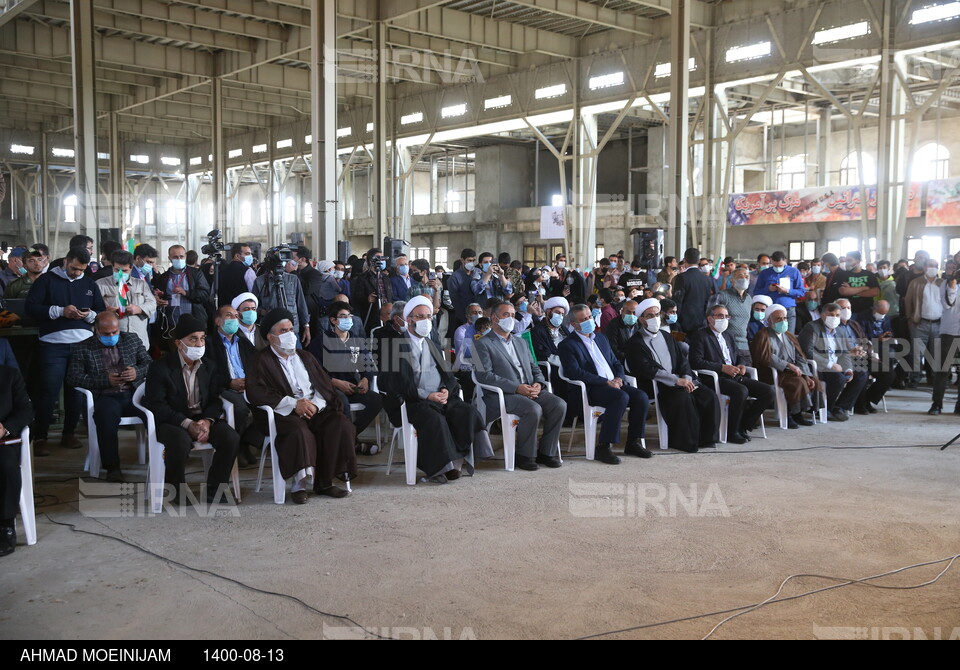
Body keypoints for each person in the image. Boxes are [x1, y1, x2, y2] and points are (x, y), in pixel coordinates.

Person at [245, 308, 358, 503]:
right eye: (283, 331)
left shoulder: (305, 356)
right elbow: (257, 392)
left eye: (291, 329)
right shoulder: (260, 360)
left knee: (339, 423)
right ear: (271, 338)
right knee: (298, 430)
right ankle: (299, 485)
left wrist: (314, 405)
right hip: (283, 413)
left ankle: (325, 482)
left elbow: (323, 385)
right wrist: (293, 404)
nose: (290, 335)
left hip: (314, 408)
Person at [377, 296, 491, 482]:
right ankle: (440, 467)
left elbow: (447, 374)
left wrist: (446, 389)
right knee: (434, 419)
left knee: (466, 411)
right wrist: (427, 395)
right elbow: (394, 383)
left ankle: (457, 461)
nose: (425, 321)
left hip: (439, 397)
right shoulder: (394, 346)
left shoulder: (432, 344)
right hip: (412, 401)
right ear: (409, 319)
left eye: (428, 316)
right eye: (420, 316)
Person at [142, 315, 240, 505]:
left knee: (231, 438)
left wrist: (207, 422)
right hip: (173, 420)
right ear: (179, 343)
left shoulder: (208, 366)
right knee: (179, 442)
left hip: (201, 418)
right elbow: (157, 405)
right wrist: (188, 424)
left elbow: (215, 399)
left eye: (202, 338)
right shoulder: (160, 367)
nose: (199, 343)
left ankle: (215, 490)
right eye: (193, 339)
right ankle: (176, 491)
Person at [26, 247, 105, 453]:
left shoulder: (89, 283)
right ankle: (41, 436)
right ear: (66, 260)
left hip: (83, 344)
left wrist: (88, 316)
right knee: (48, 391)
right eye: (74, 268)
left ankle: (69, 433)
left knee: (76, 392)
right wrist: (60, 311)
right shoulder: (46, 281)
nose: (77, 273)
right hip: (53, 344)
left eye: (81, 270)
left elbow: (100, 311)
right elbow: (31, 308)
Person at [472, 301, 565, 470]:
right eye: (506, 315)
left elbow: (535, 367)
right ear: (494, 318)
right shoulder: (479, 344)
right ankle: (525, 455)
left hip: (530, 388)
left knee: (559, 404)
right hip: (503, 394)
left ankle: (546, 452)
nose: (511, 319)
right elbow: (483, 375)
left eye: (513, 315)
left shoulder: (521, 342)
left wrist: (538, 383)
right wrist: (516, 388)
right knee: (532, 409)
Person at [558, 303, 651, 463]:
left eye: (589, 317)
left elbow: (615, 362)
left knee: (641, 396)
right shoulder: (567, 345)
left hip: (614, 384)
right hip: (591, 388)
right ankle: (604, 446)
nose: (588, 321)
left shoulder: (600, 338)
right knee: (620, 397)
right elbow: (574, 372)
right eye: (583, 319)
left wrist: (619, 378)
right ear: (574, 324)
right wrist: (605, 382)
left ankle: (633, 442)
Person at [626, 299, 721, 452]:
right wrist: (677, 381)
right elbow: (649, 369)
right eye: (650, 316)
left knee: (708, 395)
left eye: (657, 314)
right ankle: (686, 442)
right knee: (683, 398)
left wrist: (687, 378)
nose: (655, 318)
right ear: (641, 319)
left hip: (681, 380)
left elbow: (682, 360)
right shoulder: (635, 343)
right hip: (658, 386)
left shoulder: (666, 335)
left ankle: (707, 438)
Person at [65, 312, 150, 481]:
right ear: (95, 330)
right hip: (106, 396)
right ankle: (112, 467)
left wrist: (136, 372)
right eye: (106, 334)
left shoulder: (131, 339)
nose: (111, 336)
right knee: (105, 416)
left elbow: (149, 364)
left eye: (115, 332)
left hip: (134, 394)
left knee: (157, 409)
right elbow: (72, 377)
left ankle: (166, 458)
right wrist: (104, 380)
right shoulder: (83, 347)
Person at [688, 304, 775, 443]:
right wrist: (721, 367)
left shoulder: (729, 335)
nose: (724, 319)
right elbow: (696, 362)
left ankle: (744, 425)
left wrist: (741, 364)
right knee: (741, 391)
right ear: (710, 319)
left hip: (735, 375)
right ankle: (732, 431)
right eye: (720, 316)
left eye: (726, 316)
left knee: (769, 391)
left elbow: (738, 355)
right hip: (715, 378)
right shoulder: (700, 335)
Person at [314, 301, 382, 453]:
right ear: (333, 320)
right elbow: (315, 371)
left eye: (349, 316)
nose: (347, 320)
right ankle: (352, 444)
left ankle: (348, 438)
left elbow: (368, 365)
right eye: (343, 316)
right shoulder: (321, 341)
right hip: (331, 388)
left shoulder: (356, 340)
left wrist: (365, 379)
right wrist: (336, 383)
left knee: (376, 400)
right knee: (342, 402)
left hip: (352, 387)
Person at [204, 305, 264, 467]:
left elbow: (258, 365)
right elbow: (206, 375)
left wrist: (250, 382)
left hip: (247, 387)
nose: (234, 319)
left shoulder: (243, 343)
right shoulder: (208, 345)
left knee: (271, 404)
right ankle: (235, 447)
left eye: (237, 316)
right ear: (218, 321)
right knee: (239, 408)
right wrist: (229, 382)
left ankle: (245, 440)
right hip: (224, 388)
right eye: (229, 316)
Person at [799, 303, 868, 422]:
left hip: (837, 365)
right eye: (831, 315)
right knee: (838, 378)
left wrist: (848, 369)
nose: (834, 318)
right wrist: (830, 364)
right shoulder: (812, 327)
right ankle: (827, 409)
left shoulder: (840, 330)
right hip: (818, 367)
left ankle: (840, 406)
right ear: (822, 315)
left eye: (837, 315)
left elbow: (844, 352)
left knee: (861, 374)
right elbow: (808, 352)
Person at [750, 304, 817, 428]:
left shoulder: (789, 335)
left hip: (791, 372)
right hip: (771, 372)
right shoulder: (763, 335)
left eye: (785, 318)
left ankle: (799, 413)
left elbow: (799, 357)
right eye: (778, 319)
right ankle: (790, 415)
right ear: (770, 320)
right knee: (796, 383)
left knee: (810, 381)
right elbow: (766, 357)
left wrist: (806, 374)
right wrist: (788, 365)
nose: (783, 321)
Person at [95, 250, 156, 352]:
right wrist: (106, 312)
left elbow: (152, 303)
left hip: (139, 338)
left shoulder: (141, 284)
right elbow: (94, 309)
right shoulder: (100, 285)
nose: (120, 274)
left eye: (124, 271)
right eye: (117, 270)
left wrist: (138, 309)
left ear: (131, 268)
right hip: (112, 339)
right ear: (112, 267)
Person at [0, 365, 32, 556]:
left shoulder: (9, 374)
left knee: (6, 465)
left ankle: (5, 526)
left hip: (2, 442)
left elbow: (26, 411)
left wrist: (5, 428)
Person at [253, 253, 311, 347]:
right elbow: (253, 306)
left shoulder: (293, 279)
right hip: (271, 328)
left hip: (292, 328)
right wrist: (262, 311)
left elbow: (301, 304)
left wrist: (306, 326)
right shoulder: (260, 281)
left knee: (295, 357)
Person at [903, 257, 943, 394]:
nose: (933, 267)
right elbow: (908, 301)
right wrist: (909, 318)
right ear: (925, 267)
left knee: (936, 354)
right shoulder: (915, 282)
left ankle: (935, 380)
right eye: (930, 265)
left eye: (935, 265)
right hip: (919, 323)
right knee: (916, 354)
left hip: (939, 324)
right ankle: (914, 379)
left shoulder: (942, 283)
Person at [153, 244, 211, 328]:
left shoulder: (196, 273)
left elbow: (205, 294)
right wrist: (161, 297)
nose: (179, 259)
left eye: (181, 256)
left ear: (186, 256)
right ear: (170, 258)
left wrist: (186, 293)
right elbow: (159, 296)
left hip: (194, 322)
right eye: (175, 257)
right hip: (171, 323)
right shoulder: (164, 277)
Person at [753, 251, 806, 333]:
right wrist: (768, 289)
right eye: (775, 266)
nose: (778, 268)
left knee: (789, 336)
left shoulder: (794, 272)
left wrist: (787, 291)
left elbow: (801, 292)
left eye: (780, 265)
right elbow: (756, 292)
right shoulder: (765, 273)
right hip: (771, 310)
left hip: (788, 310)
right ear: (771, 261)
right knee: (771, 336)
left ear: (785, 261)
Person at [712, 267, 753, 362]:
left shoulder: (749, 299)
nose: (744, 278)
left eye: (747, 276)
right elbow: (711, 318)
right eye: (740, 276)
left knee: (748, 373)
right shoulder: (722, 296)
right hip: (726, 344)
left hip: (743, 345)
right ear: (731, 280)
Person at [672, 248, 715, 335]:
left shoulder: (682, 277)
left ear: (684, 260)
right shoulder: (707, 279)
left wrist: (676, 322)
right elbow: (708, 302)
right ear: (698, 261)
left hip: (684, 323)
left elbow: (677, 301)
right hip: (702, 322)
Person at [822, 251, 879, 315]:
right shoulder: (844, 274)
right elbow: (843, 291)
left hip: (867, 310)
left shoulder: (869, 274)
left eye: (849, 260)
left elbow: (875, 292)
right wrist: (864, 288)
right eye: (846, 260)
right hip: (849, 311)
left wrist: (852, 291)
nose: (847, 263)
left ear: (857, 261)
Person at [350, 248, 392, 332]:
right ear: (370, 261)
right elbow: (356, 299)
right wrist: (367, 299)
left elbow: (390, 296)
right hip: (371, 314)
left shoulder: (386, 278)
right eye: (378, 257)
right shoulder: (362, 279)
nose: (381, 260)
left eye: (382, 258)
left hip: (387, 314)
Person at [446, 248, 483, 323]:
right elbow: (455, 301)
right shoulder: (454, 278)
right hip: (464, 316)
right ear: (462, 260)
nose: (472, 263)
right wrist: (465, 318)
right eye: (469, 260)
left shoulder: (479, 272)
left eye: (473, 260)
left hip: (480, 314)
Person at [218, 242, 256, 308]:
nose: (250, 257)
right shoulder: (248, 271)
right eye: (247, 254)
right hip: (242, 311)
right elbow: (254, 293)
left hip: (224, 310)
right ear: (237, 256)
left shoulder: (220, 272)